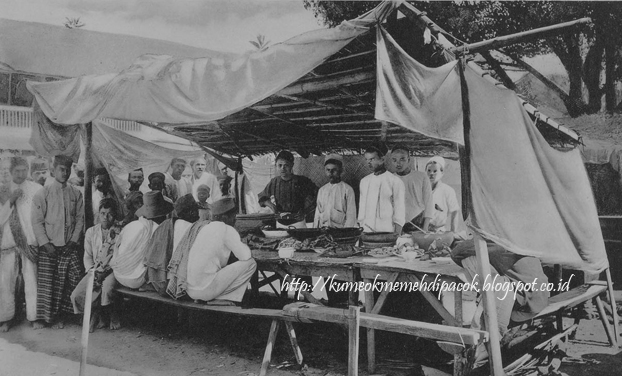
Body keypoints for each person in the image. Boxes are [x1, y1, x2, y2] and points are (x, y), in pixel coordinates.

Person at [451, 239, 549, 366]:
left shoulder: (494, 240)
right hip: (540, 299)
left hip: (524, 304)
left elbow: (456, 253)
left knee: (472, 261)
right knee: (492, 273)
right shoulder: (519, 239)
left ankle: (482, 350)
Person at [167, 198, 256, 305]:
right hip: (206, 290)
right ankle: (223, 298)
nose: (234, 221)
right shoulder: (226, 228)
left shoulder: (202, 227)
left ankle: (217, 296)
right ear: (224, 217)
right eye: (233, 217)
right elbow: (245, 256)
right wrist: (243, 244)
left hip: (189, 290)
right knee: (251, 263)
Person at [31, 155, 84, 328]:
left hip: (69, 246)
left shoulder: (76, 193)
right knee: (49, 283)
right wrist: (45, 244)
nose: (65, 172)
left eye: (67, 169)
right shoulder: (43, 193)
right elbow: (37, 221)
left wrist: (74, 241)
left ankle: (66, 314)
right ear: (53, 170)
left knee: (74, 277)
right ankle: (48, 318)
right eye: (61, 169)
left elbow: (80, 219)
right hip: (49, 247)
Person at [0, 157, 43, 331]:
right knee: (6, 282)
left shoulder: (36, 189)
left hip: (29, 242)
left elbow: (39, 216)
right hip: (8, 242)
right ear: (10, 172)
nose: (20, 174)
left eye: (23, 170)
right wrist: (10, 200)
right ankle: (6, 318)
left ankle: (34, 317)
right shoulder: (3, 190)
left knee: (32, 280)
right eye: (16, 171)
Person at [70, 198, 122, 332]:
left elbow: (118, 256)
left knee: (106, 288)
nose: (106, 217)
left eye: (110, 214)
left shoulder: (119, 232)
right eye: (103, 213)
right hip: (95, 269)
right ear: (98, 214)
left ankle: (111, 314)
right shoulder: (91, 232)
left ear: (114, 215)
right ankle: (94, 313)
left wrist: (105, 271)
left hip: (113, 270)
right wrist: (92, 271)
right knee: (77, 294)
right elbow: (87, 255)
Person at [110, 191, 173, 289]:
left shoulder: (131, 225)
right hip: (136, 279)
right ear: (162, 214)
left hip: (118, 275)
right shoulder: (157, 229)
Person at [144, 194, 200, 296]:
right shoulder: (191, 228)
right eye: (197, 211)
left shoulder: (166, 224)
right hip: (177, 286)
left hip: (159, 283)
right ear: (192, 212)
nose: (199, 215)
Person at [258, 150, 318, 228]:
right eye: (280, 165)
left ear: (292, 165)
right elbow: (262, 198)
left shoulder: (303, 181)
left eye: (286, 165)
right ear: (276, 165)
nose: (283, 168)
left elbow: (317, 196)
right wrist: (272, 206)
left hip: (298, 223)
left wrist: (305, 211)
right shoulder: (274, 182)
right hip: (280, 223)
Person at [358, 145, 406, 233]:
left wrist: (397, 235)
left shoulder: (395, 181)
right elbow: (362, 210)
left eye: (372, 159)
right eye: (367, 159)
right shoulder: (364, 181)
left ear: (382, 159)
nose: (369, 163)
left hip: (387, 230)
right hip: (367, 230)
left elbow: (399, 211)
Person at [391, 146, 434, 232]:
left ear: (409, 160)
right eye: (394, 160)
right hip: (397, 224)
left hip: (418, 221)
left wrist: (425, 228)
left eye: (402, 159)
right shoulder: (390, 179)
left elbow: (429, 202)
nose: (398, 163)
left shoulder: (421, 177)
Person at [313, 154, 357, 228]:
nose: (331, 173)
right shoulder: (322, 190)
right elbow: (318, 214)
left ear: (340, 170)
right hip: (324, 230)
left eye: (334, 170)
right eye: (328, 170)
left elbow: (351, 215)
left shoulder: (347, 189)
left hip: (340, 230)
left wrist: (346, 233)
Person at [425, 156, 460, 234]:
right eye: (429, 171)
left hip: (439, 232)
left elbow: (455, 211)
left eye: (435, 171)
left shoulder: (448, 190)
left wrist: (453, 232)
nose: (431, 174)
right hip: (422, 230)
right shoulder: (421, 190)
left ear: (441, 173)